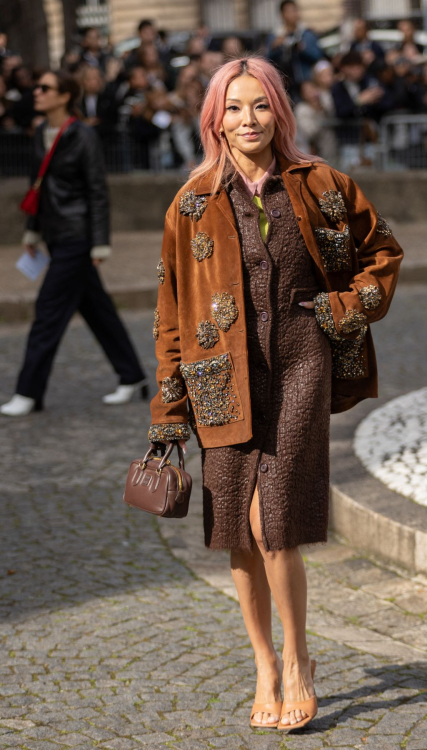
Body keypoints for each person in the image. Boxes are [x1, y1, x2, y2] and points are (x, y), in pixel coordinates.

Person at [148, 56, 403, 730]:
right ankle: (262, 662)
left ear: (279, 112)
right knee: (236, 528)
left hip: (300, 360)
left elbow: (383, 252)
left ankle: (298, 661)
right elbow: (171, 312)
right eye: (233, 107)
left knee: (273, 520)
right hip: (217, 376)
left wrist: (340, 309)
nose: (247, 119)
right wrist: (168, 411)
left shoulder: (320, 184)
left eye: (260, 105)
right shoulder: (192, 202)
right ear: (214, 120)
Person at [1, 71, 147, 417]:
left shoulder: (83, 135)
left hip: (78, 237)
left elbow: (97, 190)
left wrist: (100, 243)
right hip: (54, 233)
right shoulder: (40, 132)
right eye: (37, 87)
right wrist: (33, 231)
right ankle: (134, 377)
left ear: (65, 96)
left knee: (47, 311)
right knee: (99, 311)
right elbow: (37, 186)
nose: (36, 92)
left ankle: (28, 391)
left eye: (45, 88)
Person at [267, 0, 323, 102]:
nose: (293, 14)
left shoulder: (306, 33)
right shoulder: (276, 35)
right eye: (288, 11)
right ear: (282, 14)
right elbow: (267, 61)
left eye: (295, 10)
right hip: (284, 83)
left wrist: (302, 49)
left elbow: (318, 56)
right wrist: (275, 47)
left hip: (306, 82)